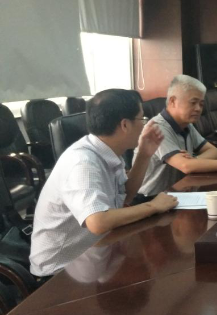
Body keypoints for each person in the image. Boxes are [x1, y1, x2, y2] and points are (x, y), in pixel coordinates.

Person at [30, 89, 178, 277]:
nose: (145, 124)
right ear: (125, 125)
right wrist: (153, 206)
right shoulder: (83, 163)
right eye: (142, 118)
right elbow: (98, 221)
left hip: (94, 254)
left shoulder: (106, 151)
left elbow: (125, 196)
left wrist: (144, 155)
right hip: (58, 272)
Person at [136, 75, 217, 196]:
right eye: (193, 103)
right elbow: (186, 166)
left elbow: (214, 151)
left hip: (178, 192)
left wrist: (194, 160)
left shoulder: (186, 125)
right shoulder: (158, 128)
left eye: (201, 104)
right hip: (151, 199)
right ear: (173, 101)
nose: (198, 109)